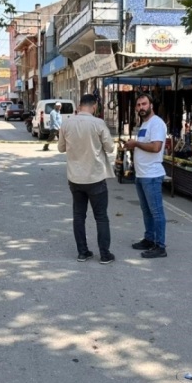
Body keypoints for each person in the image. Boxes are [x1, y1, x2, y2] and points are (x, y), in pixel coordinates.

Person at [58, 94, 116, 264]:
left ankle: (82, 252)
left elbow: (61, 148)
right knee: (101, 217)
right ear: (95, 106)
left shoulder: (67, 123)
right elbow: (111, 148)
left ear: (79, 105)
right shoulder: (98, 123)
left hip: (75, 179)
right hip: (95, 177)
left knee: (78, 216)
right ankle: (105, 254)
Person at [125, 93, 168, 259]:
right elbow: (145, 146)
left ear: (151, 105)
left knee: (156, 212)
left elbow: (156, 147)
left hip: (152, 175)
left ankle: (160, 246)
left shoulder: (156, 123)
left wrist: (135, 144)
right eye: (138, 105)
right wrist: (132, 147)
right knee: (146, 211)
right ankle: (149, 239)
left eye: (144, 104)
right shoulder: (144, 124)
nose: (141, 107)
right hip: (141, 175)